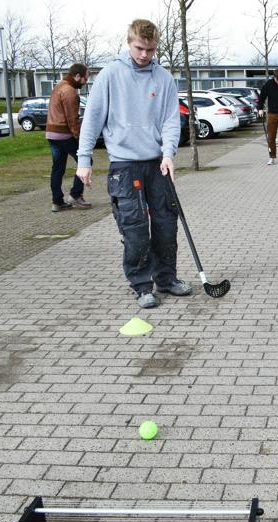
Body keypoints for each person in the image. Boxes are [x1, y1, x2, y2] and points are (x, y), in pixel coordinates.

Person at [76, 19, 190, 309]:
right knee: (135, 228)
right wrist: (84, 160)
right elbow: (92, 119)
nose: (144, 55)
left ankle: (166, 278)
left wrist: (168, 154)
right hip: (124, 166)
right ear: (129, 42)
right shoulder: (110, 75)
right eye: (140, 48)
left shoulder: (163, 78)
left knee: (166, 224)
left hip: (156, 164)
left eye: (150, 50)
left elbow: (169, 120)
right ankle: (141, 285)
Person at [46, 63, 92, 212]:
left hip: (51, 133)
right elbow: (72, 119)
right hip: (64, 134)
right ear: (77, 76)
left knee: (58, 168)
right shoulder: (70, 91)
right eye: (85, 78)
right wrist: (79, 138)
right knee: (85, 160)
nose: (85, 82)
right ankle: (75, 195)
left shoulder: (59, 86)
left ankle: (57, 202)